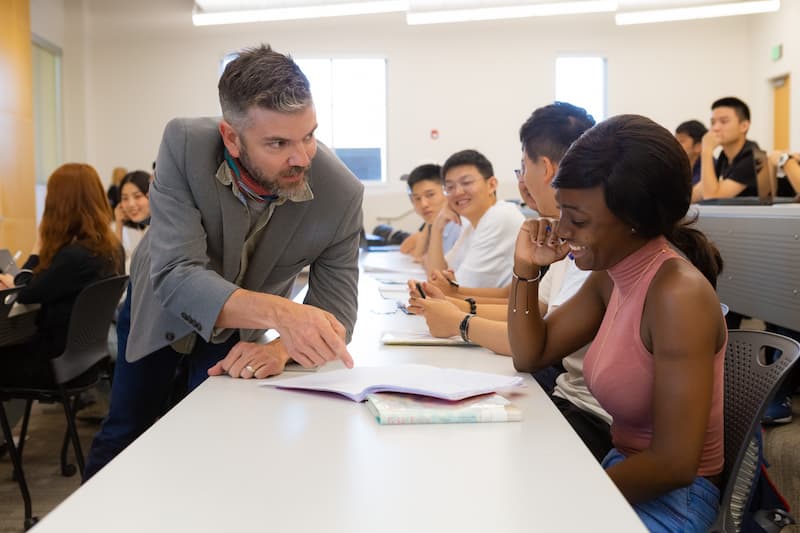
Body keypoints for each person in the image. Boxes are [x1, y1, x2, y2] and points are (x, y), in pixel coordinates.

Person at [85, 44, 363, 479]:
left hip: (237, 322)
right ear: (231, 137)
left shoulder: (342, 193)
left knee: (213, 435)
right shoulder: (184, 144)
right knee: (127, 430)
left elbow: (338, 310)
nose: (302, 157)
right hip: (158, 300)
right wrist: (284, 312)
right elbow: (177, 275)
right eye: (278, 143)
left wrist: (279, 347)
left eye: (308, 135)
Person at [509, 114, 726, 530]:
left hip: (672, 500)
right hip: (621, 473)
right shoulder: (611, 275)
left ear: (635, 219)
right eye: (563, 211)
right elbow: (530, 354)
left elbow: (675, 464)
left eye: (579, 218)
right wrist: (525, 269)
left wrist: (569, 497)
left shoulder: (677, 295)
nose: (563, 229)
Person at [409, 102, 613, 461]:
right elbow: (538, 312)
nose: (521, 180)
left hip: (583, 413)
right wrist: (457, 304)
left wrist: (460, 319)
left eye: (524, 166)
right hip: (565, 396)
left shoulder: (587, 242)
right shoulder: (565, 231)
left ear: (545, 169)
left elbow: (536, 341)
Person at [0, 163, 123, 387]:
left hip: (58, 364)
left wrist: (36, 250)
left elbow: (27, 294)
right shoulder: (111, 249)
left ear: (61, 203)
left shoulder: (74, 256)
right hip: (87, 360)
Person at [425, 149, 524, 288]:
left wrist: (441, 284)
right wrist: (437, 227)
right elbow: (437, 276)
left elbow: (456, 288)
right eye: (450, 187)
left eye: (466, 182)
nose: (458, 192)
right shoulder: (469, 223)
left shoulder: (500, 217)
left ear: (491, 185)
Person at [698, 96, 760, 200]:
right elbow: (700, 190)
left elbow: (711, 197)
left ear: (744, 126)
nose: (715, 128)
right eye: (713, 122)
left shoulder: (754, 156)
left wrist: (706, 151)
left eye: (724, 121)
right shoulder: (724, 156)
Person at [398, 164, 460, 261]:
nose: (423, 204)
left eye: (430, 195)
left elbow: (440, 268)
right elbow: (416, 255)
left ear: (448, 191)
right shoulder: (435, 224)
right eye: (417, 198)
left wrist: (425, 260)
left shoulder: (459, 227)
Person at [113, 170, 151, 274]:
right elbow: (115, 268)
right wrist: (119, 226)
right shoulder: (123, 230)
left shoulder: (162, 231)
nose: (131, 204)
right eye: (125, 198)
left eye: (137, 196)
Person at [674, 120, 706, 200]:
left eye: (681, 141)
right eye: (674, 140)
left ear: (698, 146)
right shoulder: (675, 165)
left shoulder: (711, 167)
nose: (674, 145)